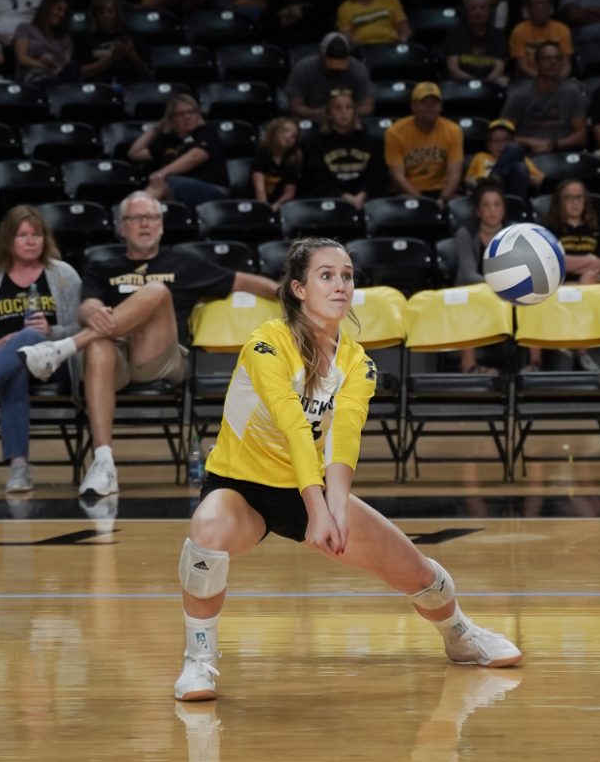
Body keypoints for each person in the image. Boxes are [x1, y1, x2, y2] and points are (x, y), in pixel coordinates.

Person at [172, 236, 522, 701]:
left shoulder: (358, 362)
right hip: (241, 487)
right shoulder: (264, 345)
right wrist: (317, 510)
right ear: (298, 289)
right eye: (326, 275)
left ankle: (460, 635)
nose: (340, 285)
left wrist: (334, 508)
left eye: (347, 276)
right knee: (207, 533)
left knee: (421, 577)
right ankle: (199, 660)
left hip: (309, 486)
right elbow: (294, 425)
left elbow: (343, 439)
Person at [18, 191, 278, 496]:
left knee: (157, 291)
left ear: (162, 225)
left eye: (151, 217)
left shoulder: (184, 263)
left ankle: (62, 349)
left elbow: (243, 282)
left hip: (161, 359)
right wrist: (95, 314)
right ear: (121, 227)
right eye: (135, 218)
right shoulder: (102, 267)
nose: (144, 224)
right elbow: (86, 307)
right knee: (100, 346)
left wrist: (291, 293)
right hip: (117, 361)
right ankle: (103, 463)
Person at [0, 205, 81, 493]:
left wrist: (52, 332)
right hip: (10, 366)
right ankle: (19, 468)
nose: (31, 240)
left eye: (37, 234)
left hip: (55, 365)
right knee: (19, 362)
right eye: (23, 235)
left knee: (29, 336)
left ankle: (19, 466)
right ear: (8, 239)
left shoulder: (63, 275)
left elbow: (83, 329)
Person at [525, 179, 600, 373]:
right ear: (560, 202)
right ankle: (536, 362)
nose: (575, 203)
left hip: (590, 283)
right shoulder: (549, 231)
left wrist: (574, 264)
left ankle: (581, 352)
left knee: (590, 281)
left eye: (579, 198)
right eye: (569, 198)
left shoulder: (597, 232)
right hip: (558, 284)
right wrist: (590, 259)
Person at [127, 93, 230, 208]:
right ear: (171, 118)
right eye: (180, 114)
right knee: (161, 189)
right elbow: (135, 153)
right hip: (176, 188)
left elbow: (196, 157)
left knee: (164, 183)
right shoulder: (168, 141)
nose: (187, 117)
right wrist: (157, 128)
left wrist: (162, 173)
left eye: (191, 112)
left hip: (212, 190)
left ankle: (132, 213)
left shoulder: (206, 132)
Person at [454, 184, 510, 373]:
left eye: (497, 204)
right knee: (466, 303)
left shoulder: (514, 234)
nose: (492, 210)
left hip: (508, 294)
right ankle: (469, 366)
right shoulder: (466, 233)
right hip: (476, 292)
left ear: (503, 209)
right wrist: (497, 285)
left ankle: (534, 364)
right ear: (478, 211)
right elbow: (468, 274)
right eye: (486, 205)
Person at [300, 90, 385, 209]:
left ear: (355, 112)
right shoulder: (315, 144)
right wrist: (342, 196)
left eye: (348, 108)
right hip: (329, 202)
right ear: (329, 114)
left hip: (367, 200)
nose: (344, 113)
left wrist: (362, 195)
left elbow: (377, 176)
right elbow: (316, 179)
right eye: (338, 108)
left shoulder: (372, 142)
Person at [383, 81, 464, 205]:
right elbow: (398, 177)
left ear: (441, 106)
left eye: (434, 103)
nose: (430, 108)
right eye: (424, 103)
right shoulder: (395, 132)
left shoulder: (453, 131)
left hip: (442, 191)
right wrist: (422, 201)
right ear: (413, 106)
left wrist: (442, 198)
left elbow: (455, 176)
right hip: (409, 190)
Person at [501, 41, 588, 154]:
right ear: (536, 63)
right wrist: (529, 142)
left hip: (562, 151)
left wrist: (553, 144)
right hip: (526, 153)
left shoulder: (572, 92)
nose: (553, 62)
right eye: (546, 59)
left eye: (557, 59)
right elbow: (502, 136)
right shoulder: (518, 95)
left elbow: (581, 136)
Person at [284, 31, 375, 123]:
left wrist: (347, 114)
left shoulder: (357, 69)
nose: (335, 70)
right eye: (331, 63)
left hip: (348, 122)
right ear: (321, 56)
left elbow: (367, 105)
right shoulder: (303, 69)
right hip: (313, 120)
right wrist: (321, 113)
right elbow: (295, 106)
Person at [76, 0, 151, 86]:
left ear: (117, 13)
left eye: (110, 11)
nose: (106, 16)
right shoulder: (86, 39)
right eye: (101, 13)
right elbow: (81, 73)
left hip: (130, 87)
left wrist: (132, 55)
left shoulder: (132, 36)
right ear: (95, 15)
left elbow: (148, 72)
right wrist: (110, 60)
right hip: (99, 88)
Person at [464, 117, 544, 202]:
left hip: (511, 195)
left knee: (519, 166)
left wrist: (520, 176)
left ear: (512, 142)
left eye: (506, 140)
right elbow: (468, 180)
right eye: (496, 141)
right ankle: (494, 180)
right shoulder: (481, 157)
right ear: (488, 145)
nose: (501, 145)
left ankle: (496, 176)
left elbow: (540, 182)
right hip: (487, 196)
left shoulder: (521, 160)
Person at [444, 0, 508, 86]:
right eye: (473, 8)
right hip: (462, 82)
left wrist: (486, 82)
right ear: (466, 12)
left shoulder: (498, 35)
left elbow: (499, 67)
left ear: (489, 11)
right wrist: (476, 83)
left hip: (490, 81)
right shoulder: (454, 33)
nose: (478, 12)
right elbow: (453, 68)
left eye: (482, 8)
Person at [13, 0, 75, 87]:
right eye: (59, 9)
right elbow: (22, 58)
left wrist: (54, 64)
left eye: (64, 12)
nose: (62, 15)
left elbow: (66, 64)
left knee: (72, 70)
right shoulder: (25, 28)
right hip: (32, 74)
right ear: (47, 8)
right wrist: (43, 64)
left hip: (57, 75)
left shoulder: (64, 37)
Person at [508, 0, 573, 80]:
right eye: (537, 3)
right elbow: (523, 66)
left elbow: (566, 65)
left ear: (551, 8)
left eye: (544, 3)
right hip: (529, 80)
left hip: (558, 79)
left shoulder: (562, 29)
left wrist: (557, 80)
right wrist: (544, 79)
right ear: (528, 8)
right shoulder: (519, 31)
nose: (541, 7)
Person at [251, 116, 302, 212]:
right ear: (273, 133)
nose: (290, 137)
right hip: (257, 203)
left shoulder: (293, 160)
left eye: (294, 136)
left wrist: (277, 205)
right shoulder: (262, 154)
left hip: (279, 205)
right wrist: (265, 209)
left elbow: (289, 192)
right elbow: (259, 189)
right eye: (286, 131)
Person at [336, 0, 410, 47]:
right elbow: (346, 36)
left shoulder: (391, 0)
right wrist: (354, 43)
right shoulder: (345, 8)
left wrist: (402, 43)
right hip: (363, 50)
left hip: (390, 46)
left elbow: (404, 30)